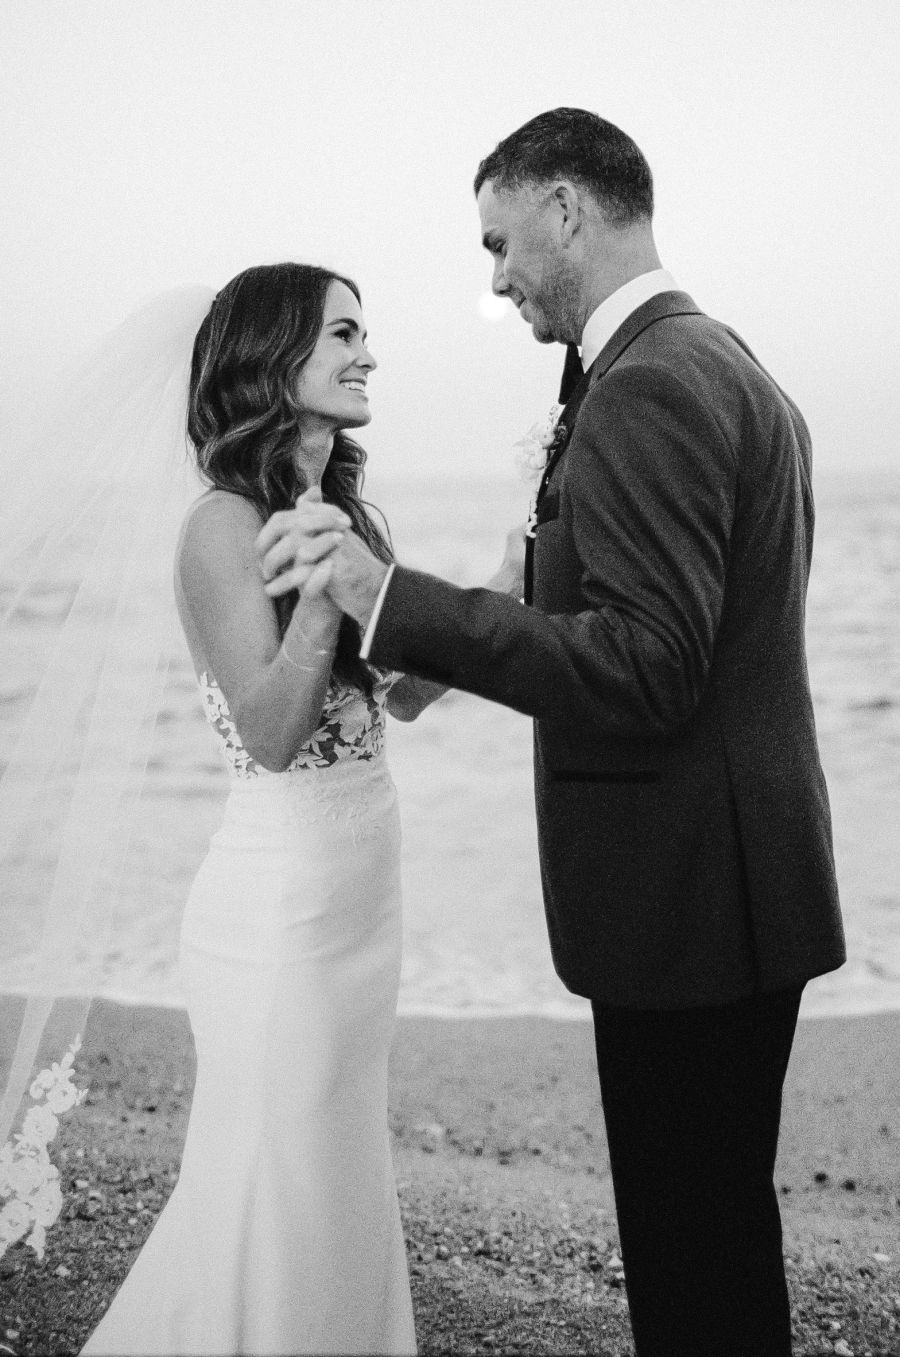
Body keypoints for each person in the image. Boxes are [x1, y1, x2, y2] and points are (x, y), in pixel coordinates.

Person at [260, 111, 847, 1356]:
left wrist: (388, 600)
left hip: (690, 908)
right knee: (722, 1240)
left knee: (695, 1270)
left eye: (501, 242)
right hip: (735, 888)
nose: (497, 279)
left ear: (567, 208)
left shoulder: (649, 388)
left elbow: (650, 667)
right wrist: (435, 653)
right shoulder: (723, 362)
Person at [78, 263, 521, 1355]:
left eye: (363, 335)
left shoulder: (352, 513)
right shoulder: (219, 529)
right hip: (276, 914)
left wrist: (508, 578)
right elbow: (274, 734)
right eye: (342, 334)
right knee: (271, 1174)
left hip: (364, 896)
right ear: (274, 360)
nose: (368, 354)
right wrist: (327, 588)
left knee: (336, 1165)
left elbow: (404, 697)